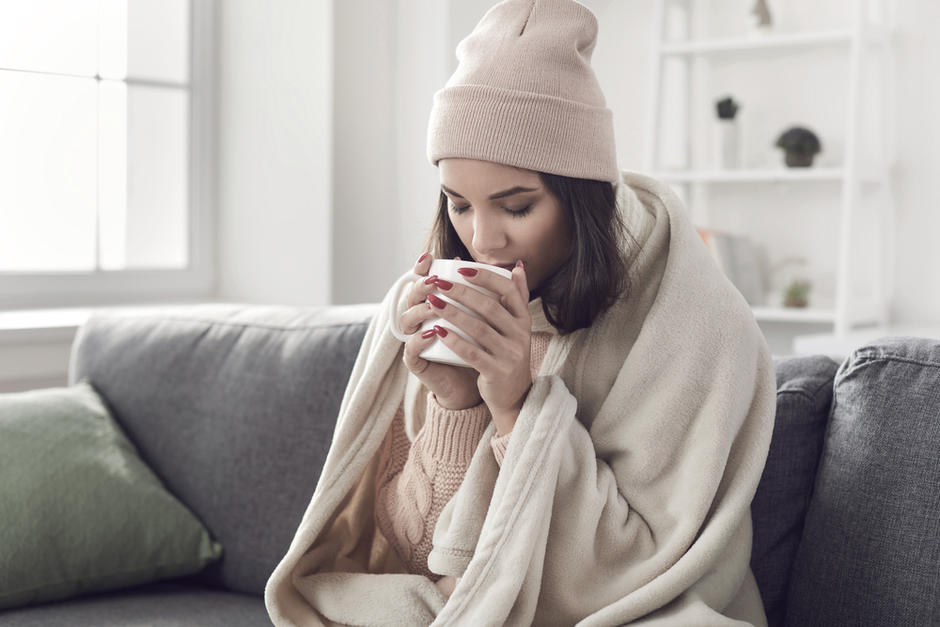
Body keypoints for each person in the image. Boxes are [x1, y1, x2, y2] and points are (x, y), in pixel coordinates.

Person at [265, 1, 776, 625]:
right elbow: (419, 559)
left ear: (581, 196)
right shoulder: (430, 307)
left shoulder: (692, 323)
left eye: (516, 206)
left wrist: (517, 408)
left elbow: (634, 568)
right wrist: (459, 407)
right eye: (458, 204)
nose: (483, 240)